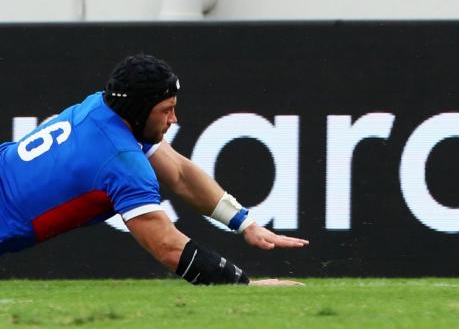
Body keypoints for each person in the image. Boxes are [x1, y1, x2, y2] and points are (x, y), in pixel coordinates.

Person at [0, 53, 307, 285]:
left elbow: (180, 175)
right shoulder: (121, 160)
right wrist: (245, 286)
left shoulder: (103, 108)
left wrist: (246, 224)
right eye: (166, 110)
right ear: (137, 111)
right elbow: (168, 247)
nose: (173, 119)